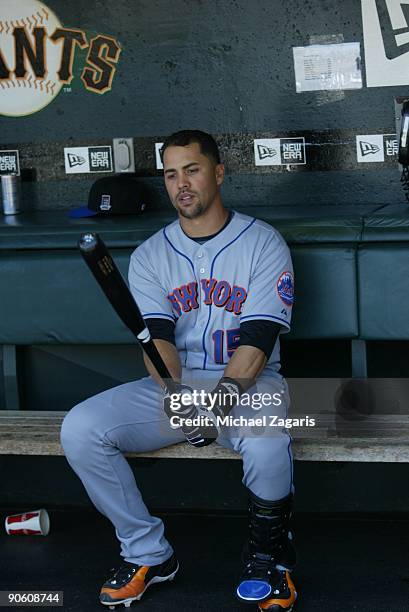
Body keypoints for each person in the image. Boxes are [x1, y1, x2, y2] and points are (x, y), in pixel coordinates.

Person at [60, 129, 297, 611]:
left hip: (250, 384)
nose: (181, 183)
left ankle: (270, 559)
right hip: (181, 384)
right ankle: (147, 552)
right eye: (171, 174)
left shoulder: (263, 243)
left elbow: (256, 344)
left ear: (218, 172)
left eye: (192, 169)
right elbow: (159, 342)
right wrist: (175, 393)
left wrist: (216, 407)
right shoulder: (150, 256)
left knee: (270, 439)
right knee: (82, 427)